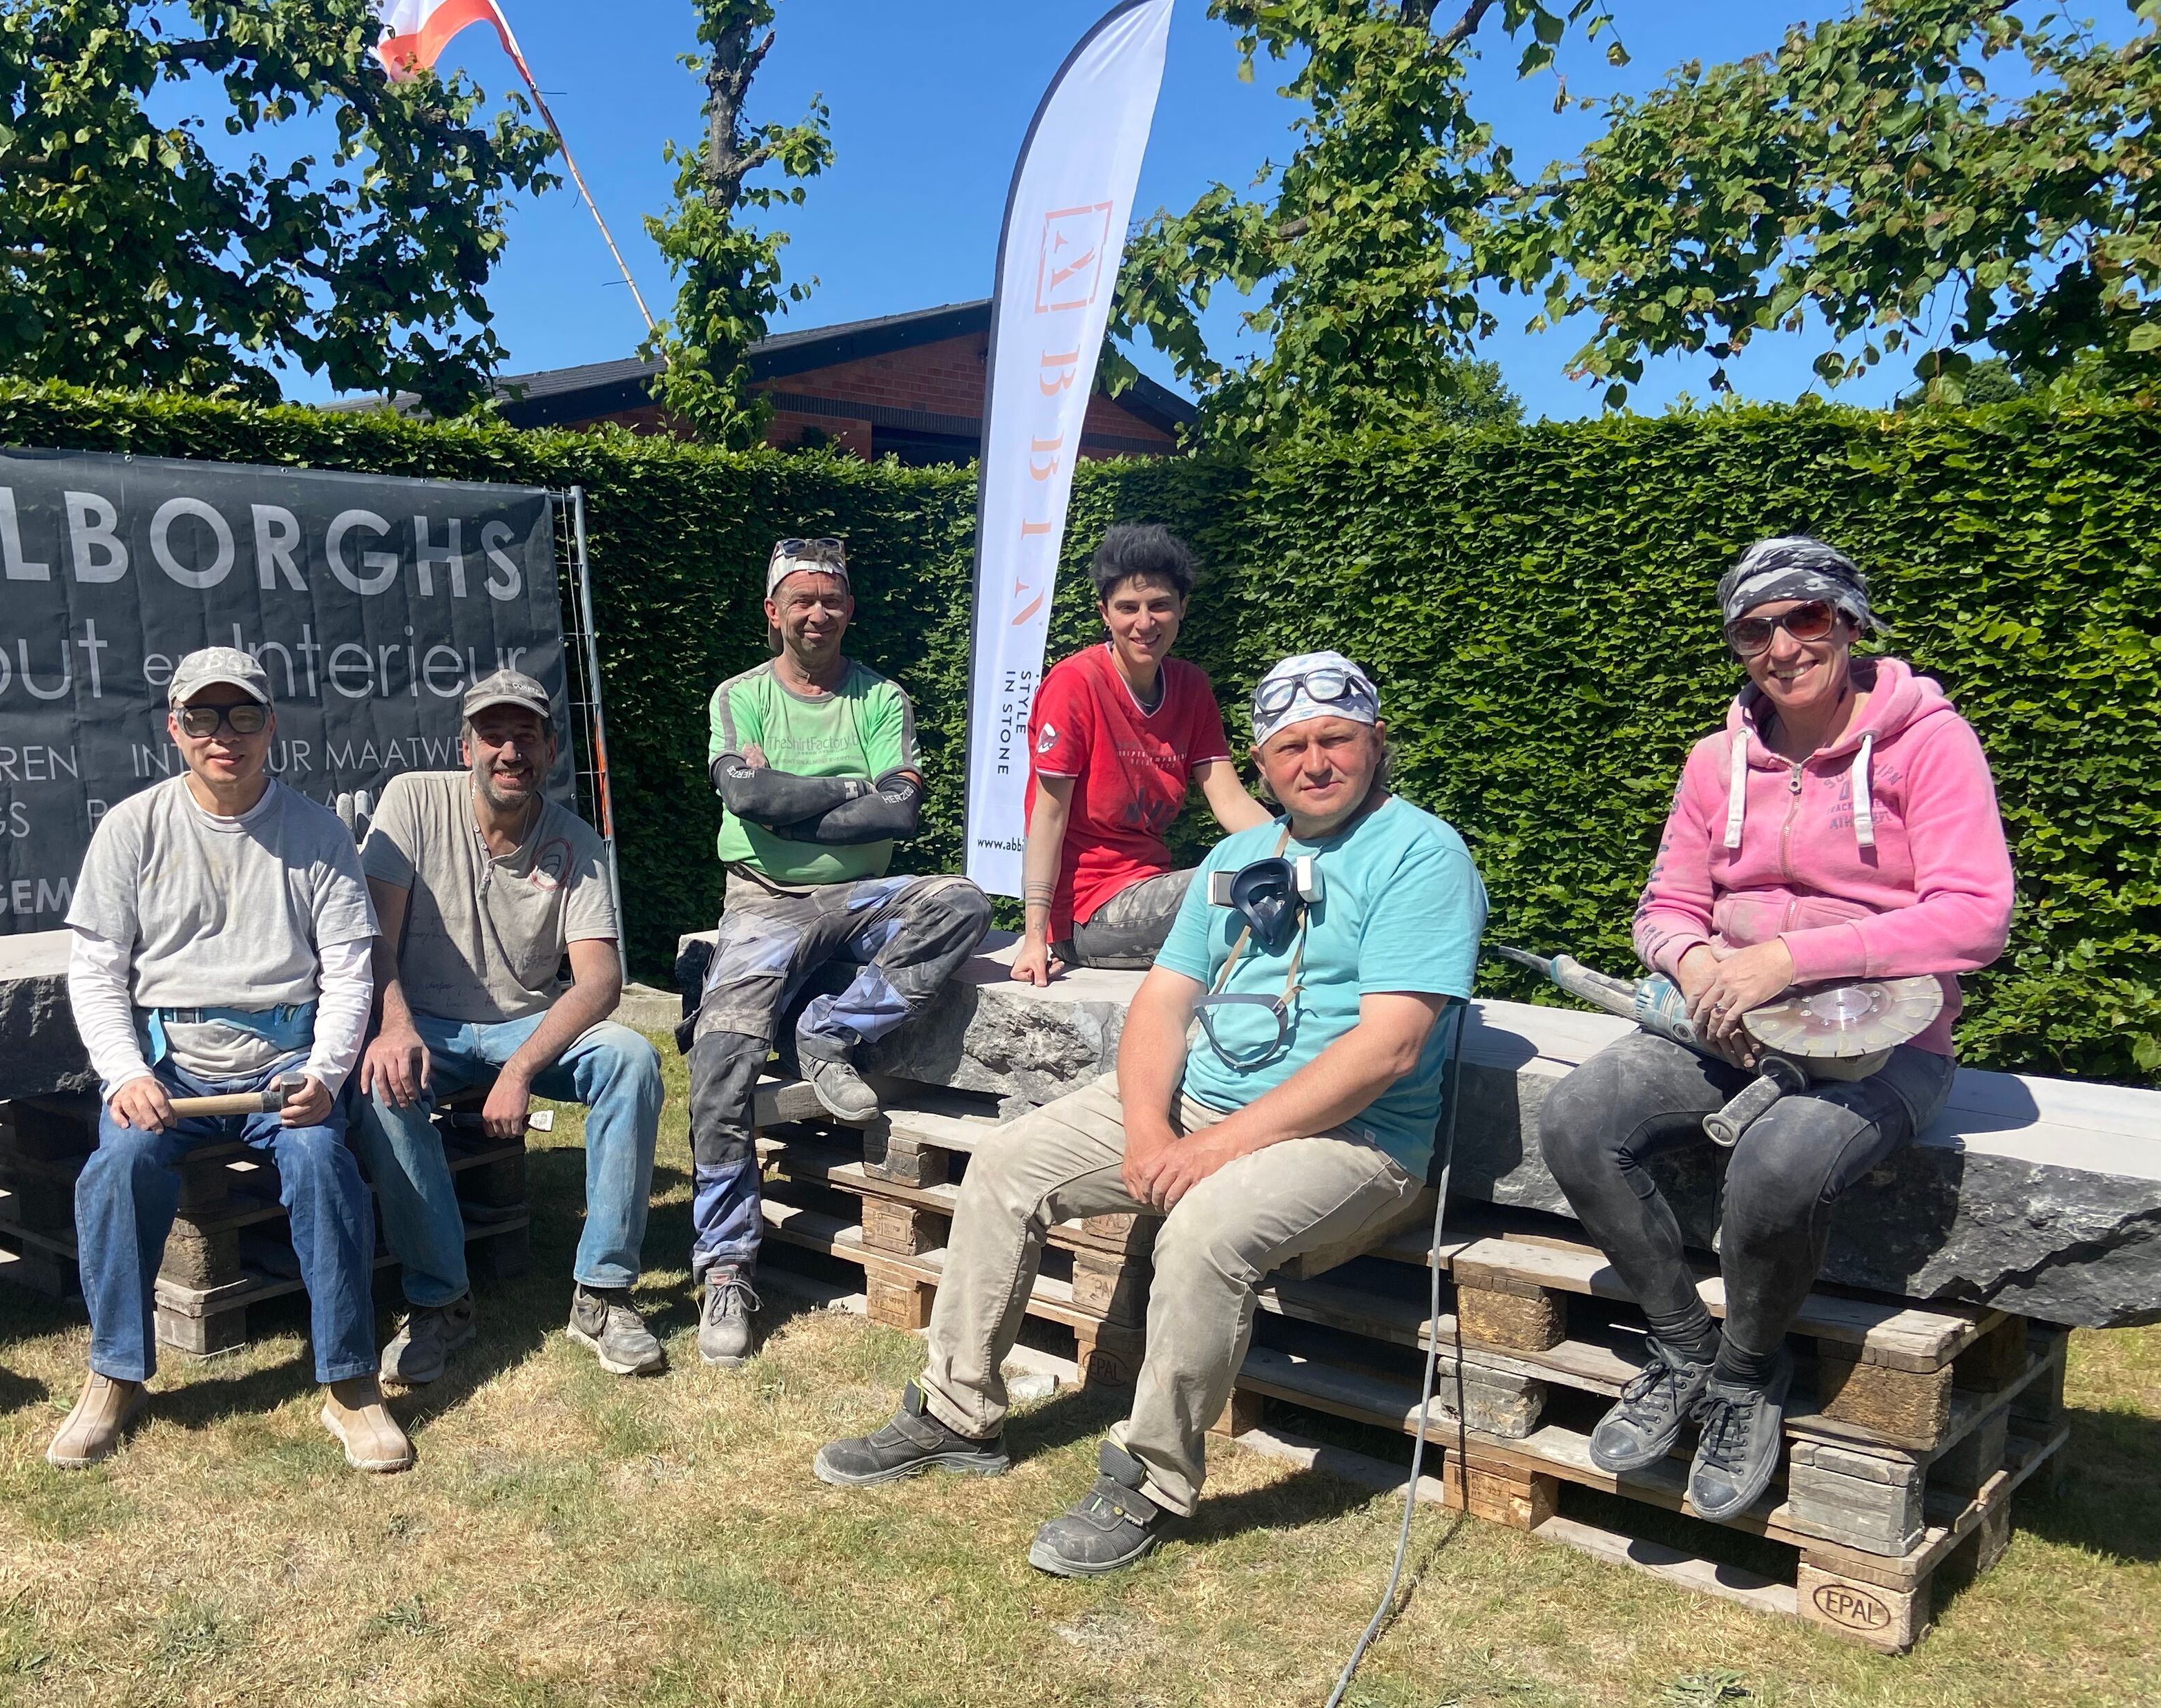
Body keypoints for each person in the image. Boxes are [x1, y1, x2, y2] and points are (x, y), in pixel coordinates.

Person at [815, 653, 1486, 1577]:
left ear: (1375, 743)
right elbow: (1164, 1003)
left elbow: (1391, 1049)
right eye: (1290, 746)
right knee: (1008, 1167)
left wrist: (1212, 1150)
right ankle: (957, 1414)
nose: (1315, 762)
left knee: (1205, 1230)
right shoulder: (1240, 856)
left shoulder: (1421, 854)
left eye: (1336, 739)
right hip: (1199, 1104)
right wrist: (1148, 1130)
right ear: (1261, 761)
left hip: (1355, 1139)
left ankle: (1152, 1478)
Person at [1538, 537, 2014, 1521]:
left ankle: (1749, 1376)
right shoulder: (1716, 761)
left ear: (1850, 621)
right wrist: (1696, 965)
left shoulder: (1930, 742)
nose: (1783, 646)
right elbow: (1664, 908)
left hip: (1888, 1047)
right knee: (1578, 1117)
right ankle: (1683, 1350)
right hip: (1733, 1031)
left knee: (1778, 1160)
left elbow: (1977, 917)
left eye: (1806, 617)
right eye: (1754, 629)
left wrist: (1792, 958)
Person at [48, 647, 407, 1474]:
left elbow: (349, 972)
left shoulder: (318, 834)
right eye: (204, 717)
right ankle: (115, 1375)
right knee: (118, 1170)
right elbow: (96, 971)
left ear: (271, 726)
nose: (225, 735)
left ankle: (349, 1383)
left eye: (243, 715)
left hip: (284, 1065)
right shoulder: (132, 829)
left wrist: (324, 1074)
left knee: (324, 1167)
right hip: (167, 1067)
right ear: (174, 729)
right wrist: (126, 1075)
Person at [686, 536, 992, 1368]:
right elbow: (745, 795)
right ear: (773, 612)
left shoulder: (883, 698)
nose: (817, 613)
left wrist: (789, 802)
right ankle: (727, 1266)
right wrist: (853, 788)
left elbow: (899, 814)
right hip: (764, 900)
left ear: (849, 609)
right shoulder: (739, 696)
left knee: (961, 902)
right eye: (802, 599)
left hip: (865, 895)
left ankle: (830, 1031)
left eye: (831, 599)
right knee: (721, 1059)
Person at [352, 669, 666, 1383]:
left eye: (526, 736)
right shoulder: (412, 801)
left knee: (631, 1060)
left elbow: (600, 980)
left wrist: (520, 1069)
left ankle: (603, 1293)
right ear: (466, 748)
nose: (510, 751)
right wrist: (394, 1026)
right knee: (381, 1085)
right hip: (426, 1026)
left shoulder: (576, 842)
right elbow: (371, 939)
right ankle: (441, 1302)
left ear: (551, 750)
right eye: (493, 735)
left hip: (525, 1023)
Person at [1010, 523, 1269, 984]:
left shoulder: (1192, 687)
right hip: (1086, 914)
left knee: (1280, 878)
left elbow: (1230, 800)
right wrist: (1035, 938)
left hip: (1151, 888)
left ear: (1183, 606)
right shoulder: (1075, 684)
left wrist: (1301, 852)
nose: (1144, 623)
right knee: (1238, 888)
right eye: (1128, 608)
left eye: (1160, 606)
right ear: (1105, 613)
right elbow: (1046, 815)